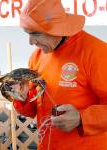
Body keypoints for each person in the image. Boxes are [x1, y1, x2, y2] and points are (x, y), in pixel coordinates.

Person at [12, 0, 107, 149]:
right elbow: (32, 109)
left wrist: (81, 119)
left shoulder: (96, 53)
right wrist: (21, 97)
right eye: (27, 33)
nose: (30, 42)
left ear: (57, 29)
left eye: (36, 34)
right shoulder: (37, 56)